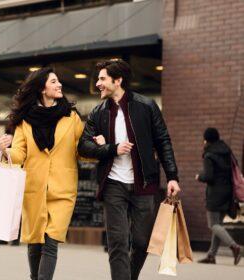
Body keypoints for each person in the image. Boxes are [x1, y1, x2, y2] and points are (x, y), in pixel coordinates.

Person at [77, 59, 181, 280]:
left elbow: (163, 141)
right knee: (117, 242)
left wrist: (172, 176)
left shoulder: (146, 105)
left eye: (102, 79)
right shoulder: (98, 112)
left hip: (143, 182)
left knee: (142, 242)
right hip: (113, 183)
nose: (98, 84)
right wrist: (111, 149)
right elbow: (83, 146)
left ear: (118, 80)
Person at [0, 67, 84, 280]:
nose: (59, 85)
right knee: (35, 242)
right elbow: (19, 154)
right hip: (34, 188)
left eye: (58, 82)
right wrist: (4, 150)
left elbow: (81, 149)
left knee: (51, 241)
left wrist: (99, 146)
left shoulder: (71, 116)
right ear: (42, 88)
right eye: (54, 82)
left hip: (63, 188)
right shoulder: (25, 120)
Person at [195, 127, 241, 265]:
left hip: (215, 194)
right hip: (227, 193)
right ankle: (211, 256)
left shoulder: (209, 154)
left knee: (213, 225)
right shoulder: (226, 151)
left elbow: (209, 176)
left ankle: (234, 246)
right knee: (218, 224)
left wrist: (199, 177)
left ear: (206, 140)